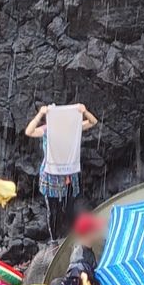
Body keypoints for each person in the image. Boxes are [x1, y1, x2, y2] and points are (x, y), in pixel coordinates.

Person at [25, 103, 99, 241]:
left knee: (69, 205)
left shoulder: (73, 128)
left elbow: (93, 122)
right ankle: (53, 239)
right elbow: (29, 131)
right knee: (53, 210)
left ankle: (69, 234)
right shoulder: (47, 129)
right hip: (51, 176)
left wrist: (85, 111)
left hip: (69, 175)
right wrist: (40, 113)